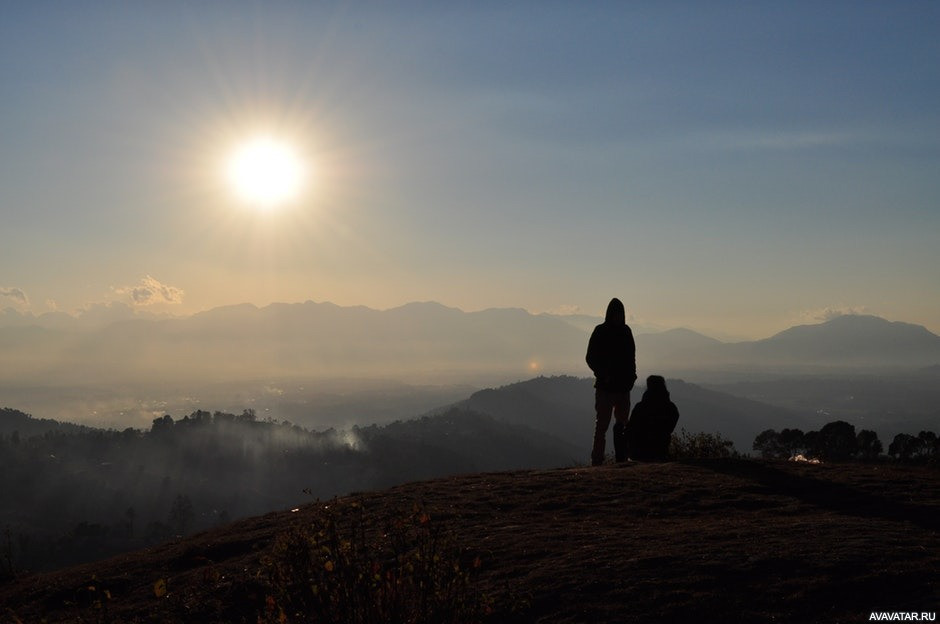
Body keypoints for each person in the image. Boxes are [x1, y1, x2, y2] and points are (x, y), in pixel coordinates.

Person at [585, 298, 637, 465]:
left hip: (622, 388)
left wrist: (631, 378)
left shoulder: (626, 332)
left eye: (620, 314)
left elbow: (631, 358)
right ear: (610, 314)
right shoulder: (600, 331)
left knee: (621, 426)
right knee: (602, 428)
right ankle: (597, 461)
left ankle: (621, 459)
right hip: (606, 389)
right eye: (616, 314)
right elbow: (590, 358)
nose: (618, 317)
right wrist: (603, 375)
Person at [625, 375, 680, 461]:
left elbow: (630, 428)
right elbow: (670, 428)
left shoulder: (640, 407)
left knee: (618, 428)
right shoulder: (671, 408)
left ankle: (620, 458)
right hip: (660, 450)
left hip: (638, 452)